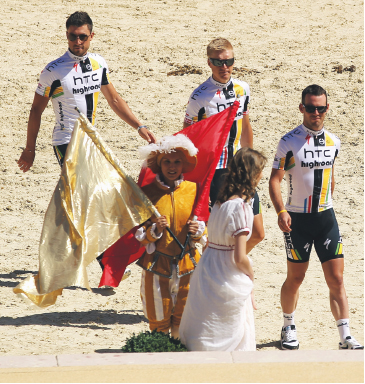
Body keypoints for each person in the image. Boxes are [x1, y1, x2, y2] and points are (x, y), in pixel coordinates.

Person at [269, 84, 363, 350]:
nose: (316, 113)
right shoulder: (289, 142)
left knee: (337, 278)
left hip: (325, 219)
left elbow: (330, 177)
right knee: (295, 278)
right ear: (302, 108)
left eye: (321, 108)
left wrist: (327, 202)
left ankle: (345, 334)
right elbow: (274, 181)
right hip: (297, 220)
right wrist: (281, 211)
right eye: (311, 108)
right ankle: (288, 326)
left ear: (327, 109)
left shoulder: (334, 141)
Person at [17, 11, 155, 173]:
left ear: (91, 36)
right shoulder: (53, 71)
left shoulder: (99, 63)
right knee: (81, 188)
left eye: (82, 36)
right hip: (66, 141)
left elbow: (114, 100)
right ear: (66, 35)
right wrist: (30, 149)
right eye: (72, 36)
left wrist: (139, 126)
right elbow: (36, 110)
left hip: (91, 140)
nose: (77, 41)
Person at [179, 147, 267, 351]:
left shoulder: (220, 203)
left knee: (206, 323)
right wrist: (250, 275)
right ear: (254, 174)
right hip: (226, 271)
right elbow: (239, 257)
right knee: (232, 333)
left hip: (208, 265)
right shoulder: (242, 207)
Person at [183, 37, 264, 254]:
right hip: (217, 170)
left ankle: (226, 263)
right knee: (228, 233)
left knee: (258, 233)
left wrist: (251, 163)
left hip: (240, 165)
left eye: (228, 61)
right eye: (218, 62)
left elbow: (245, 124)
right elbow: (188, 136)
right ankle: (221, 265)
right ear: (209, 63)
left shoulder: (242, 88)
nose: (224, 67)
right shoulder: (199, 97)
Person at [135, 134, 207, 338]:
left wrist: (198, 231)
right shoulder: (147, 193)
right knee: (158, 323)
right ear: (159, 165)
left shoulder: (195, 190)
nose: (172, 166)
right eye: (167, 161)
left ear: (184, 164)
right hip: (157, 267)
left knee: (184, 322)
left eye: (177, 162)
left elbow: (206, 229)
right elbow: (138, 236)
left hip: (189, 266)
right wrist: (154, 230)